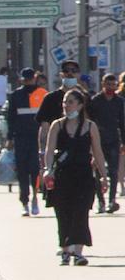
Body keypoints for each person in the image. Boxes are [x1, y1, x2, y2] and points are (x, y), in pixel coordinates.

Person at [43, 89, 109, 266]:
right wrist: (48, 169)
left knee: (80, 213)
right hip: (62, 176)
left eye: (70, 102)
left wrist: (104, 176)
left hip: (84, 177)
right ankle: (65, 250)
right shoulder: (57, 125)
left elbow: (98, 153)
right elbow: (49, 151)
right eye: (65, 102)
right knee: (63, 213)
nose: (66, 105)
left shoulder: (90, 127)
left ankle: (78, 253)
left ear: (80, 105)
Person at [4, 68, 43, 216]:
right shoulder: (15, 96)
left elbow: (46, 118)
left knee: (35, 170)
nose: (28, 81)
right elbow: (11, 118)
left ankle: (35, 198)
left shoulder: (42, 94)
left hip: (37, 138)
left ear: (35, 78)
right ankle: (25, 201)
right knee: (22, 171)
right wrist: (9, 138)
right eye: (25, 79)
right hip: (21, 138)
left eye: (30, 79)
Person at [88, 73, 125, 213]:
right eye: (107, 84)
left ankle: (112, 200)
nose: (110, 87)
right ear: (103, 84)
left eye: (113, 84)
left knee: (113, 171)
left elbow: (122, 122)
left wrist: (124, 141)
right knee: (98, 171)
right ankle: (101, 202)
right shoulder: (96, 100)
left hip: (114, 140)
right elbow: (90, 121)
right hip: (98, 141)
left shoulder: (119, 101)